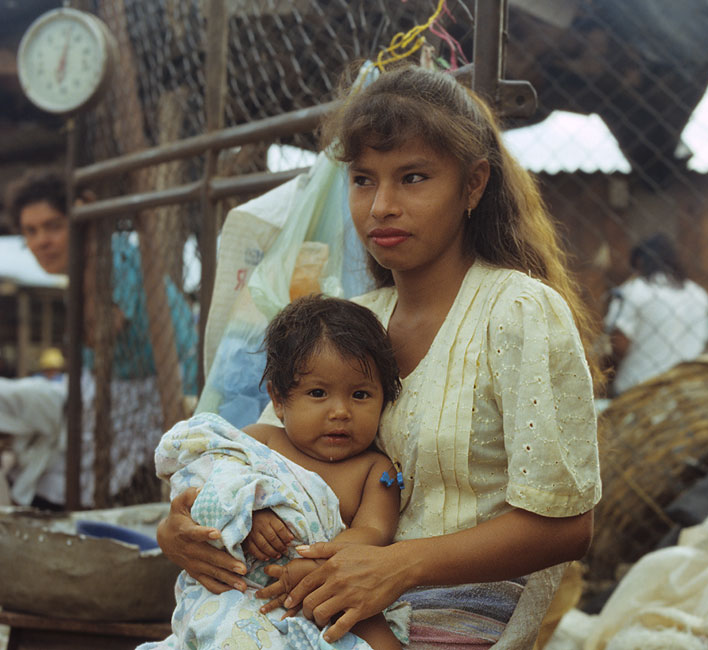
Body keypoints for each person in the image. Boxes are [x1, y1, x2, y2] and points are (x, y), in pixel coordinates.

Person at [158, 63, 602, 649]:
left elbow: (568, 526)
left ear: (473, 185)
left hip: (457, 618)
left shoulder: (518, 312)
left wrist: (399, 566)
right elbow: (258, 455)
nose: (381, 206)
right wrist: (178, 530)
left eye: (413, 178)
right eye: (363, 180)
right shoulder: (348, 321)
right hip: (319, 601)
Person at [140, 294, 403, 650]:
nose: (340, 411)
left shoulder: (375, 469)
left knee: (380, 639)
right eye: (318, 392)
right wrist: (246, 513)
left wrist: (319, 565)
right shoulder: (259, 442)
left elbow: (374, 531)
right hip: (246, 588)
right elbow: (213, 485)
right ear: (278, 401)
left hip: (330, 584)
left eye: (360, 395)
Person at [2, 168, 199, 506]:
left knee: (65, 475)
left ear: (78, 223)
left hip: (158, 388)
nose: (41, 241)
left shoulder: (112, 256)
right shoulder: (77, 276)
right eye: (30, 231)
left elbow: (102, 332)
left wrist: (91, 237)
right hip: (105, 388)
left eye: (53, 226)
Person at [604, 232, 708, 396]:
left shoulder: (634, 290)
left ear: (640, 262)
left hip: (637, 390)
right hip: (687, 392)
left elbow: (619, 345)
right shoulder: (699, 294)